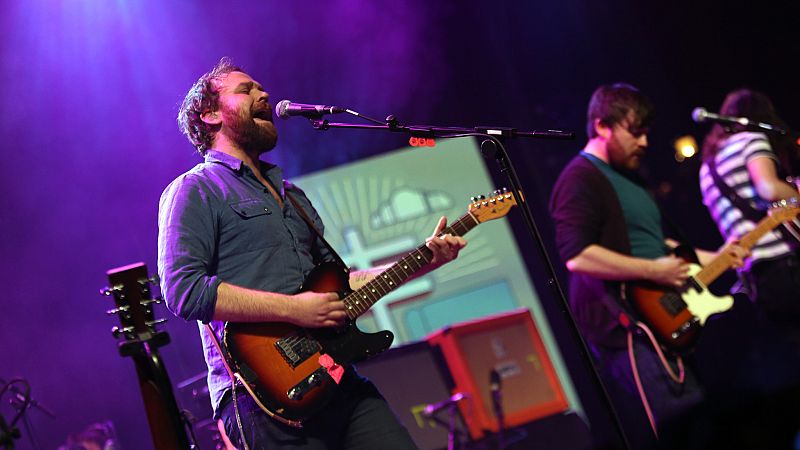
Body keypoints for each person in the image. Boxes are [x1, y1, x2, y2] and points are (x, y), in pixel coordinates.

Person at [158, 57, 466, 450]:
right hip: (262, 397)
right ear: (210, 114)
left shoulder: (293, 196)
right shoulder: (195, 189)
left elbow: (340, 286)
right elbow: (184, 291)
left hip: (337, 378)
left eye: (261, 87)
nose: (263, 93)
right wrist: (294, 310)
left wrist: (424, 261)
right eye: (246, 90)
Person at [548, 83, 747, 449]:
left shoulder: (631, 178)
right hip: (630, 332)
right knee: (682, 430)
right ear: (602, 126)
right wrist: (655, 271)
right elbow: (577, 256)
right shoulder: (580, 179)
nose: (644, 143)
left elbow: (661, 245)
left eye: (646, 133)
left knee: (707, 422)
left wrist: (720, 257)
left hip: (665, 322)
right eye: (634, 132)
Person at [699, 88, 800, 349]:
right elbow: (769, 189)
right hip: (784, 263)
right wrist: (795, 191)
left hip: (754, 278)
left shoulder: (706, 168)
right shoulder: (751, 140)